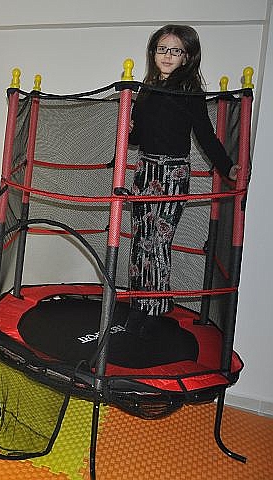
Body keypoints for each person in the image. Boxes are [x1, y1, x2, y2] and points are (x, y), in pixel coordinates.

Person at [126, 24, 239, 332]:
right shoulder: (147, 89)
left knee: (159, 241)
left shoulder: (190, 92)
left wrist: (227, 167)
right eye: (162, 49)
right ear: (153, 53)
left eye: (175, 51)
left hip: (173, 172)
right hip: (144, 169)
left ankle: (155, 308)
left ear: (187, 57)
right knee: (140, 239)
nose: (167, 56)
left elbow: (205, 134)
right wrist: (130, 127)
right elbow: (137, 139)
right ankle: (138, 304)